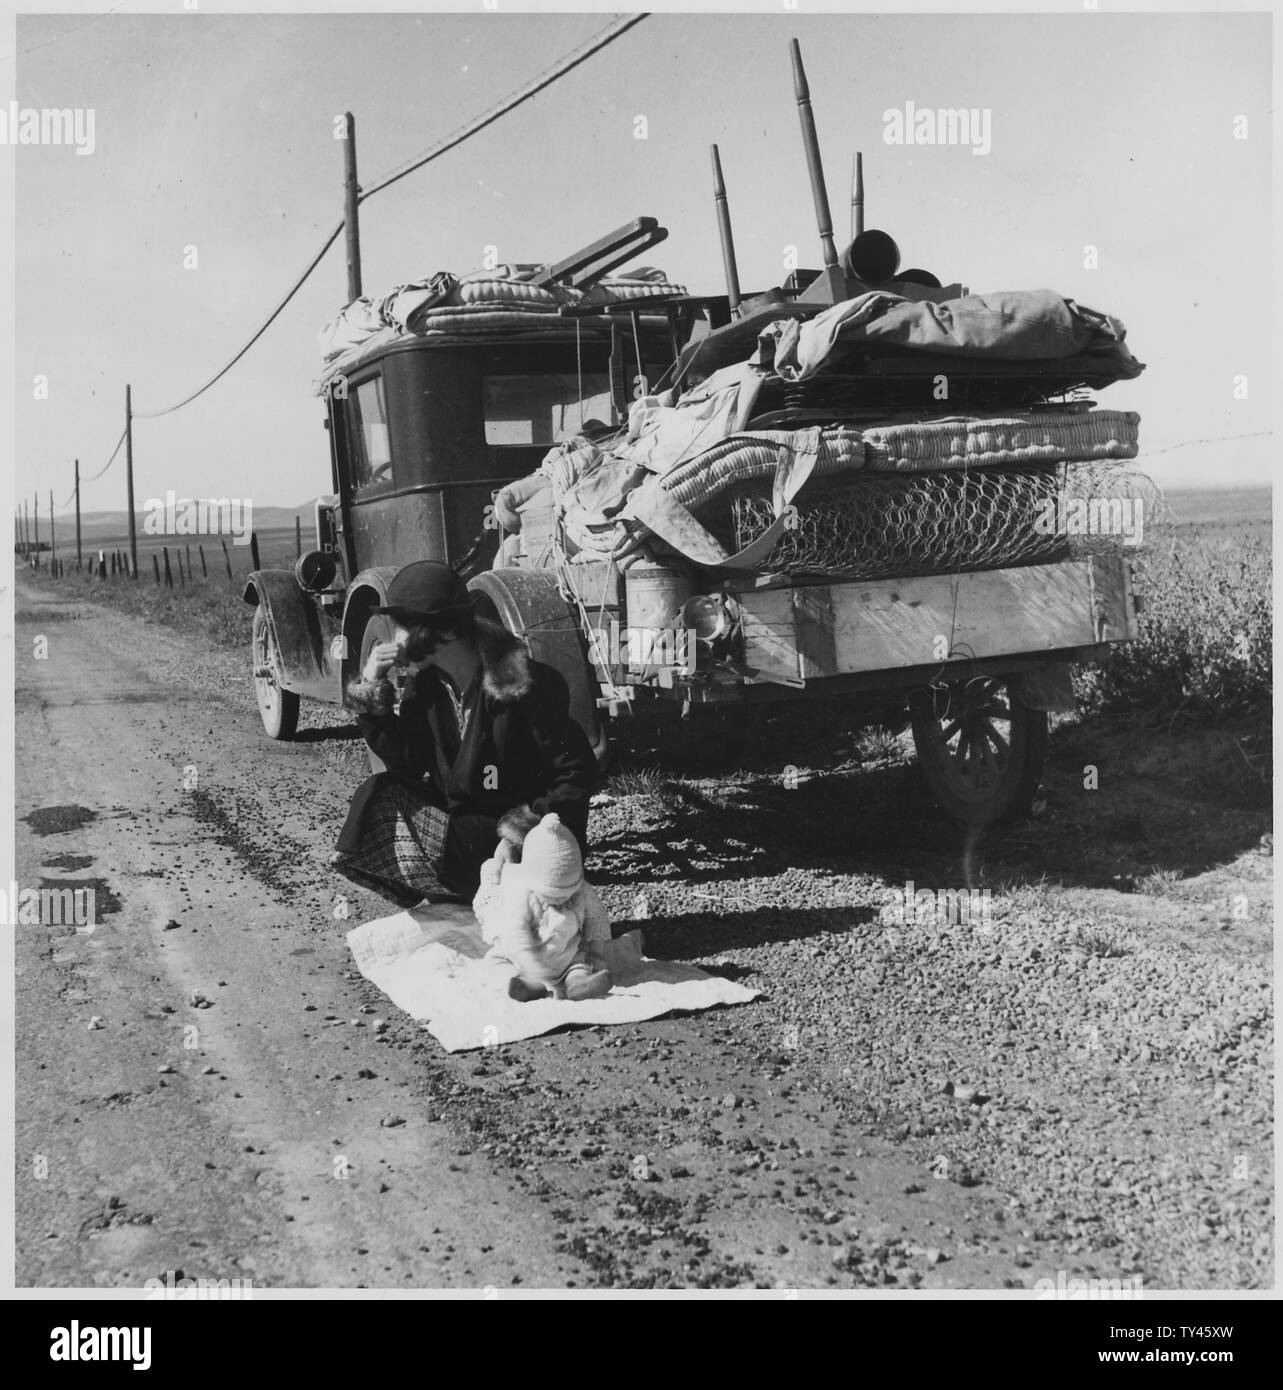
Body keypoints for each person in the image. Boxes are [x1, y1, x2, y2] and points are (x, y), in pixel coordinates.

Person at [332, 561, 597, 907]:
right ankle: (457, 900)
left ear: (445, 632)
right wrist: (370, 689)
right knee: (381, 795)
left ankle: (494, 898)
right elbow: (406, 763)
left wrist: (520, 836)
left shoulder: (527, 684)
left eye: (403, 628)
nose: (394, 642)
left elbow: (575, 773)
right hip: (468, 832)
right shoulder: (426, 685)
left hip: (522, 841)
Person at [472, 812, 613, 1002]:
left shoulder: (582, 891)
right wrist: (532, 968)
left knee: (579, 964)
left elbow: (597, 918)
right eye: (551, 894)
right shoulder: (522, 894)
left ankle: (579, 984)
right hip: (523, 959)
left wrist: (597, 952)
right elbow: (517, 932)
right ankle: (523, 985)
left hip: (565, 955)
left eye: (567, 892)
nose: (560, 899)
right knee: (497, 963)